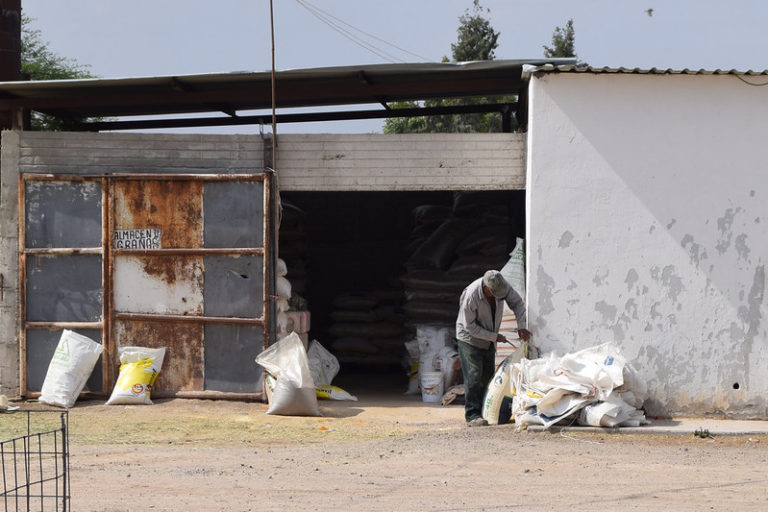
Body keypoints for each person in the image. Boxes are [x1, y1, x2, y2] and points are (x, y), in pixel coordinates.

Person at [456, 270, 531, 427]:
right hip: (469, 338)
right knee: (474, 376)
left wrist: (521, 326)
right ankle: (472, 415)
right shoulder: (471, 296)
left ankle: (486, 412)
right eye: (495, 295)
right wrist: (493, 336)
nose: (499, 298)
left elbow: (518, 304)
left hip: (489, 338)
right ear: (486, 289)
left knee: (488, 376)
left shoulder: (501, 286)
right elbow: (469, 326)